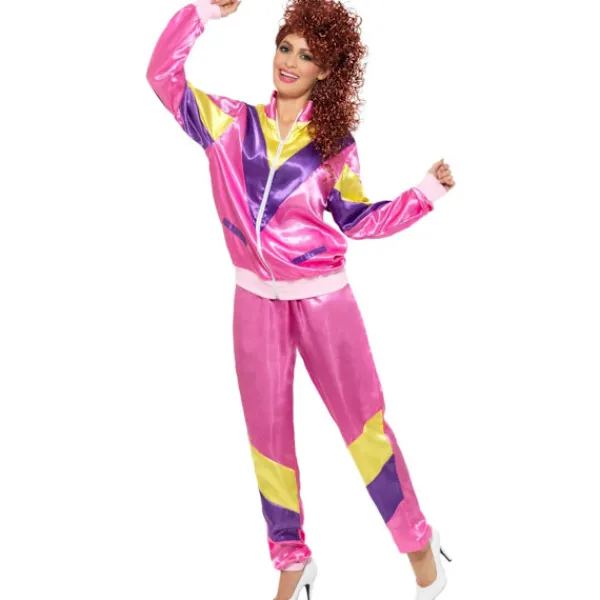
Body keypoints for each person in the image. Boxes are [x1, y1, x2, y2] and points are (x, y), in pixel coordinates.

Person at [146, 0, 455, 598]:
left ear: (326, 70)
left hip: (324, 304)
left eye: (307, 55)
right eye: (285, 47)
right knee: (267, 438)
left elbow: (358, 220)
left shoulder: (334, 145)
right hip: (253, 302)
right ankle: (291, 558)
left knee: (363, 429)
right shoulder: (229, 123)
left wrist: (424, 194)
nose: (289, 61)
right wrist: (203, 13)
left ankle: (417, 540)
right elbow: (163, 75)